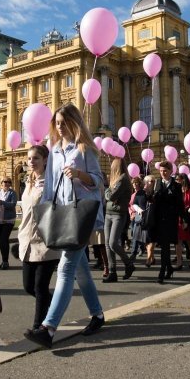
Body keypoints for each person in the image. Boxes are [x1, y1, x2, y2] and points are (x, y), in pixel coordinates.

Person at [25, 103, 105, 349]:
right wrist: (46, 214)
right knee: (80, 270)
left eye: (63, 122)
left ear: (74, 122)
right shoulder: (55, 150)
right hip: (63, 217)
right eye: (56, 123)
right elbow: (49, 185)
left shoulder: (85, 149)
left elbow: (99, 182)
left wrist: (80, 175)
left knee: (66, 268)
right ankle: (98, 315)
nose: (59, 127)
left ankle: (48, 328)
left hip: (80, 216)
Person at [18, 145, 61, 331]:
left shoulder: (51, 183)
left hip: (45, 241)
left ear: (45, 160)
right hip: (27, 239)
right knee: (28, 287)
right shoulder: (28, 182)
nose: (31, 162)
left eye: (36, 158)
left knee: (40, 287)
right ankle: (55, 309)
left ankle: (39, 327)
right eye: (29, 158)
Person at [148, 161, 183, 282]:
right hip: (158, 220)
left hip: (170, 220)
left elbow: (180, 204)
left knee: (166, 246)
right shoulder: (157, 183)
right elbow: (152, 199)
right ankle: (168, 268)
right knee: (164, 246)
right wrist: (148, 193)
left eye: (165, 171)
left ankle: (162, 271)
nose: (163, 173)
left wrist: (184, 220)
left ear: (171, 171)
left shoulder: (176, 186)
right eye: (161, 171)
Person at [103, 157, 135, 282]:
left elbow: (110, 196)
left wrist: (107, 190)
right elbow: (111, 196)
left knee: (112, 243)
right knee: (107, 244)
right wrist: (109, 192)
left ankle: (128, 264)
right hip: (109, 213)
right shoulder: (115, 180)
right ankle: (112, 272)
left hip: (118, 214)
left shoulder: (122, 179)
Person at [0, 176, 17, 269]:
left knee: (4, 239)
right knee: (1, 241)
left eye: (9, 182)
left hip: (8, 220)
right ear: (1, 183)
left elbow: (13, 204)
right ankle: (4, 261)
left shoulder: (12, 193)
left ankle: (6, 262)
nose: (7, 183)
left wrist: (2, 202)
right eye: (5, 182)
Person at [176, 173, 190, 269]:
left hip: (187, 218)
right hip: (178, 217)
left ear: (183, 180)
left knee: (189, 240)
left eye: (178, 179)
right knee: (178, 240)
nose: (177, 181)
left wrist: (189, 208)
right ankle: (179, 261)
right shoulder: (177, 191)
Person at [128, 176, 148, 259]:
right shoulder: (133, 194)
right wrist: (131, 213)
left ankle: (139, 250)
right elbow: (130, 205)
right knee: (134, 233)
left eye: (136, 183)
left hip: (142, 214)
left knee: (140, 234)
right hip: (135, 215)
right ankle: (135, 252)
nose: (135, 184)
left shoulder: (143, 193)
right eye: (133, 183)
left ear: (140, 184)